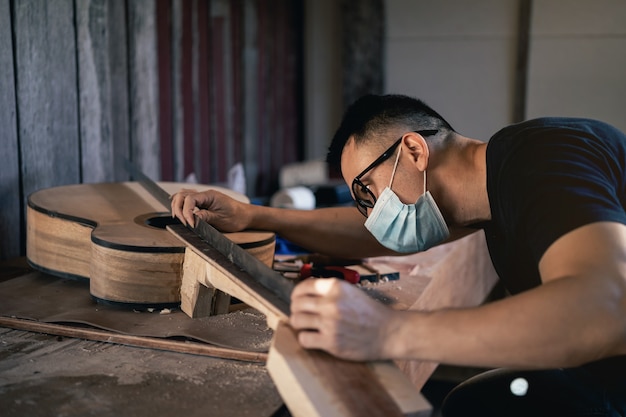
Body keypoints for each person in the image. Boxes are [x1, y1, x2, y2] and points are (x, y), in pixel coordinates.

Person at [171, 94, 626, 416]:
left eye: (368, 193)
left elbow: (604, 308)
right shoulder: (496, 192)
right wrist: (255, 216)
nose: (371, 215)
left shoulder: (544, 157)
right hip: (604, 375)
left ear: (413, 149)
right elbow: (371, 236)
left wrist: (388, 331)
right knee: (472, 402)